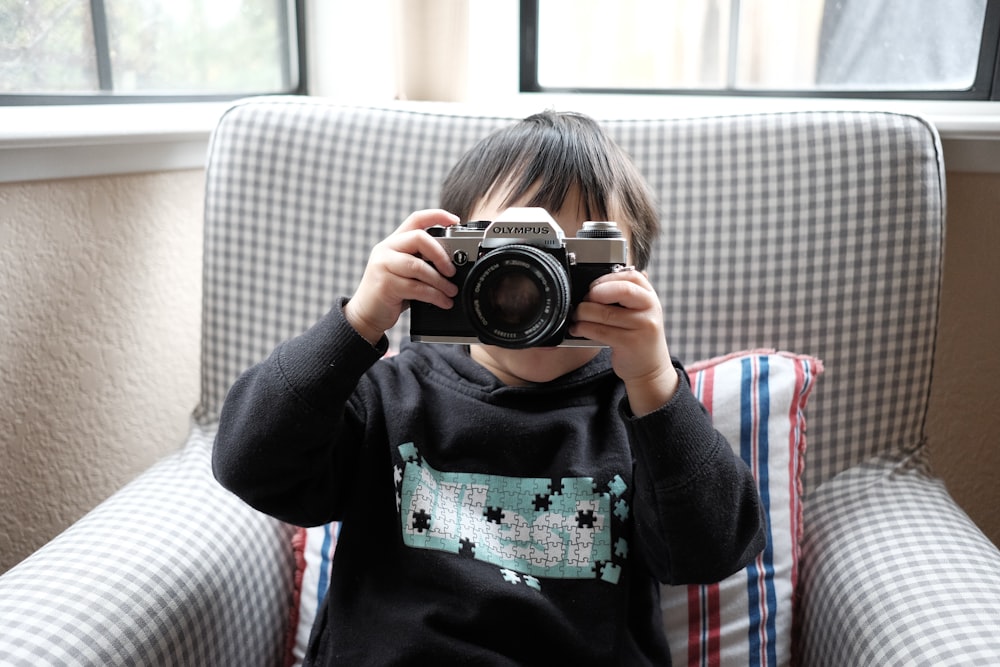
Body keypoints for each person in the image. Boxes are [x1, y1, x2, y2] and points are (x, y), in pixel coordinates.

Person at [213, 111, 765, 666]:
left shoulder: (641, 411)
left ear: (630, 275)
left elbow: (711, 553)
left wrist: (653, 383)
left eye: (572, 260)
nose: (536, 284)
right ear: (453, 257)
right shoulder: (391, 394)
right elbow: (248, 462)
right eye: (515, 253)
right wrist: (358, 322)